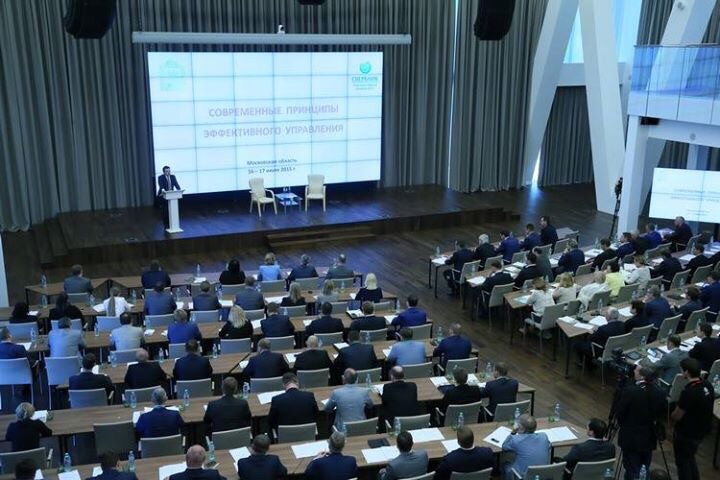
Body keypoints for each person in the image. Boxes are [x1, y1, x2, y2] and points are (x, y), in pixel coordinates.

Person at [616, 366, 666, 480]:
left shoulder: (631, 391)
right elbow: (661, 415)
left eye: (637, 370)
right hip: (649, 436)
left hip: (631, 436)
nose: (634, 371)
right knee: (644, 467)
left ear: (642, 376)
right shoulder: (661, 393)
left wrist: (624, 425)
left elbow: (620, 413)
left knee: (631, 468)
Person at [671, 358, 715, 480]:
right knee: (690, 458)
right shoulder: (707, 385)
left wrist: (672, 414)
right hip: (701, 430)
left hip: (687, 433)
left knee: (683, 463)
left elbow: (677, 415)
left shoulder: (689, 392)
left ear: (686, 372)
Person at [502, 414, 551, 479]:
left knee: (505, 465)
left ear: (520, 428)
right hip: (542, 474)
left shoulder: (516, 440)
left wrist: (513, 432)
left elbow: (504, 446)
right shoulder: (544, 436)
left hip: (523, 477)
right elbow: (549, 446)